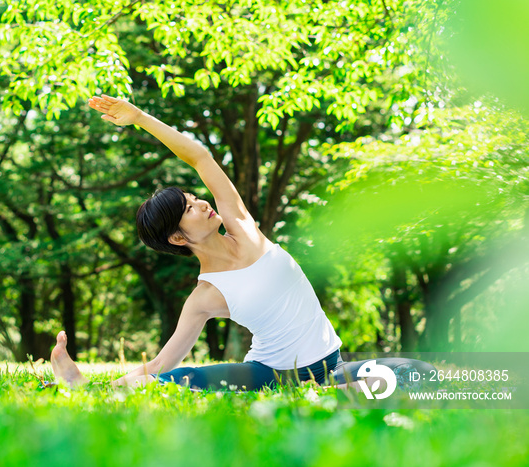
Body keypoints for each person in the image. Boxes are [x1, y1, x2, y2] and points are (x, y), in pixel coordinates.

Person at [50, 95, 434, 392]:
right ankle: (81, 387)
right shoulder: (205, 295)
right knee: (183, 378)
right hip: (270, 375)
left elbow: (200, 158)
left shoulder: (243, 227)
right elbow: (161, 363)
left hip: (331, 366)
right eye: (189, 207)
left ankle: (336, 392)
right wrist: (109, 384)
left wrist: (140, 118)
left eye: (193, 197)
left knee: (420, 375)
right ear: (178, 237)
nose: (201, 202)